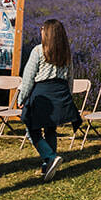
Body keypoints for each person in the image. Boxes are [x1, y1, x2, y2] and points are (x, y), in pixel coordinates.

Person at [18, 17, 81, 181]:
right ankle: (48, 166)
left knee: (31, 127)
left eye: (42, 29)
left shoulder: (38, 50)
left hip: (42, 94)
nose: (40, 31)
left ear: (48, 33)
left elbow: (28, 77)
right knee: (50, 129)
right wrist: (68, 97)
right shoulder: (66, 53)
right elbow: (70, 78)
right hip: (60, 93)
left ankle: (49, 156)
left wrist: (22, 97)